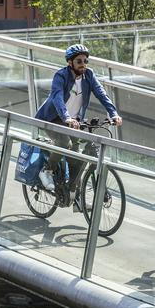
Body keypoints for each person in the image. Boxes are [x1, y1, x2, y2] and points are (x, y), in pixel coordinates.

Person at [33, 43, 122, 210]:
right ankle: (47, 170)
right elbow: (58, 98)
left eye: (85, 61)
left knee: (78, 156)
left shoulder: (89, 75)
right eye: (79, 61)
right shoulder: (61, 76)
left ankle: (74, 194)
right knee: (64, 143)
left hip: (74, 121)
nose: (83, 64)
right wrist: (66, 117)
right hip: (53, 118)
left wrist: (113, 113)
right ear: (70, 63)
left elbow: (101, 93)